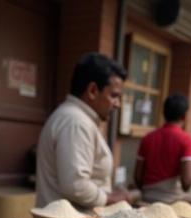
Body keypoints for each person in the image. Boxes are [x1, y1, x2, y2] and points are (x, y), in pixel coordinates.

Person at [36, 52, 130, 208]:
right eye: (114, 95)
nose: (117, 104)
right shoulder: (76, 122)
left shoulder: (77, 118)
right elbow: (75, 185)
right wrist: (111, 198)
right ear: (93, 90)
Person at [134, 94, 191, 203]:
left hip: (146, 200)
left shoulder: (147, 138)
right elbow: (187, 182)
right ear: (184, 116)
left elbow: (137, 176)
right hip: (172, 203)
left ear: (164, 113)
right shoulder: (187, 140)